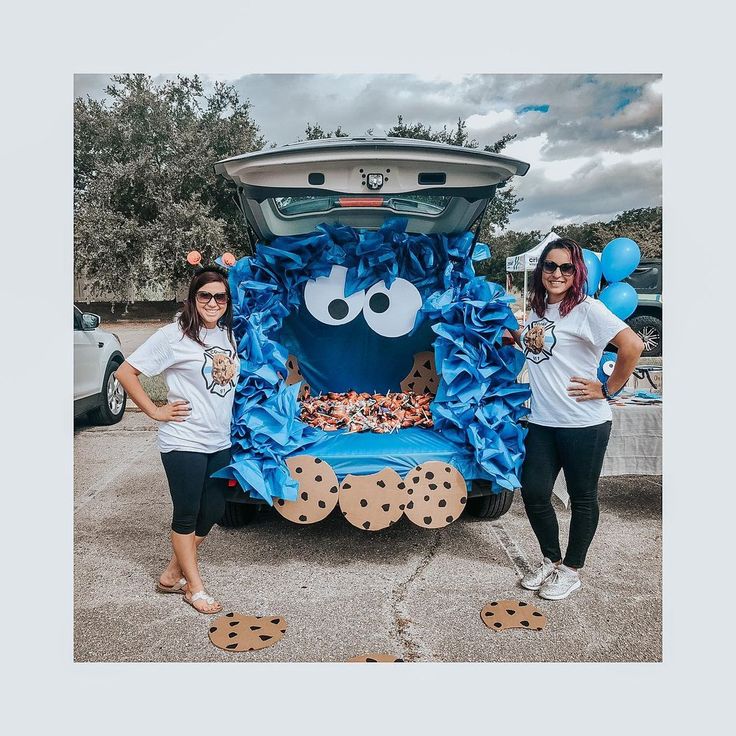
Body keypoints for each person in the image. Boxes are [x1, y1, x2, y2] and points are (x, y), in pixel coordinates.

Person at [512, 238, 644, 600]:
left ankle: (571, 570)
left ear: (577, 272)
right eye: (550, 266)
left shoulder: (588, 309)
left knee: (582, 497)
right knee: (535, 491)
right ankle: (550, 561)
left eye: (566, 267)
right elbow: (530, 343)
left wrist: (607, 388)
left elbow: (634, 345)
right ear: (541, 271)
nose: (557, 273)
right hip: (542, 420)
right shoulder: (539, 310)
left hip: (584, 423)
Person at [116, 267, 239, 614]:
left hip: (220, 439)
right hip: (184, 440)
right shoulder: (174, 336)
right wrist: (155, 411)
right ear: (192, 299)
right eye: (205, 296)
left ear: (227, 302)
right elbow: (125, 372)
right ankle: (194, 588)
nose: (212, 302)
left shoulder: (228, 336)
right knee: (187, 513)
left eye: (220, 296)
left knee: (214, 508)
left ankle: (172, 573)